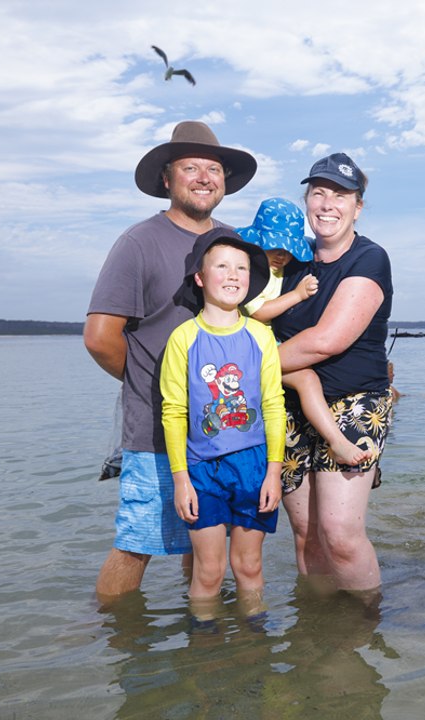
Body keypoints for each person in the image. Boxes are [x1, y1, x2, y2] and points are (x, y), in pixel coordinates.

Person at [84, 120, 257, 601]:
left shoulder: (232, 242)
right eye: (190, 168)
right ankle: (113, 635)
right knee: (135, 545)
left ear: (224, 181)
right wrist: (154, 383)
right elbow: (100, 338)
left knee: (206, 543)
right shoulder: (140, 242)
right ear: (167, 178)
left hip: (223, 427)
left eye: (213, 169)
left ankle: (200, 632)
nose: (204, 178)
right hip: (158, 428)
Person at [272, 152, 395, 596]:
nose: (327, 204)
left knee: (340, 536)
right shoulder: (290, 262)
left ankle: (366, 618)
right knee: (307, 536)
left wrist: (245, 367)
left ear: (357, 207)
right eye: (318, 193)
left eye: (340, 195)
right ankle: (320, 622)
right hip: (288, 405)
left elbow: (326, 341)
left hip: (354, 401)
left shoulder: (370, 258)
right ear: (306, 201)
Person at [160, 227, 285, 617]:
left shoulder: (260, 336)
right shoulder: (183, 338)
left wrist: (274, 472)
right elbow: (173, 412)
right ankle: (204, 642)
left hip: (254, 465)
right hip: (202, 468)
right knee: (209, 571)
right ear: (200, 278)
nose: (233, 275)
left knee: (249, 566)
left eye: (242, 268)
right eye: (222, 267)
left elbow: (274, 405)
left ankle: (255, 639)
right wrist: (181, 480)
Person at [237, 197, 371, 467]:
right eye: (275, 247)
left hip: (268, 346)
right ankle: (336, 440)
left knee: (306, 381)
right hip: (248, 349)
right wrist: (297, 295)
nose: (282, 255)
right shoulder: (250, 271)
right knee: (307, 379)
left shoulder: (281, 269)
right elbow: (258, 311)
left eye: (289, 250)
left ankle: (331, 440)